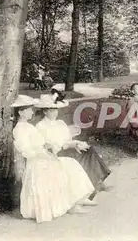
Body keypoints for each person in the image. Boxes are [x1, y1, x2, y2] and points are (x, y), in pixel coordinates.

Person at [11, 95, 96, 223]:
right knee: (65, 166)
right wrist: (45, 154)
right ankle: (73, 204)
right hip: (37, 162)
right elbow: (26, 150)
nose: (32, 112)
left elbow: (40, 142)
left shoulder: (28, 126)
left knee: (70, 164)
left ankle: (77, 200)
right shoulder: (20, 129)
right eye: (29, 110)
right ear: (20, 112)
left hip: (43, 157)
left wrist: (48, 147)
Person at [35, 90, 112, 193]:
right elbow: (49, 144)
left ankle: (97, 182)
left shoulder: (60, 123)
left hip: (67, 146)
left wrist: (77, 144)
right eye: (51, 110)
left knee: (88, 150)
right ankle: (90, 186)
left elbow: (67, 138)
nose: (55, 113)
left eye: (56, 110)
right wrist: (70, 146)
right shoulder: (41, 126)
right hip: (55, 152)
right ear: (45, 111)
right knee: (77, 156)